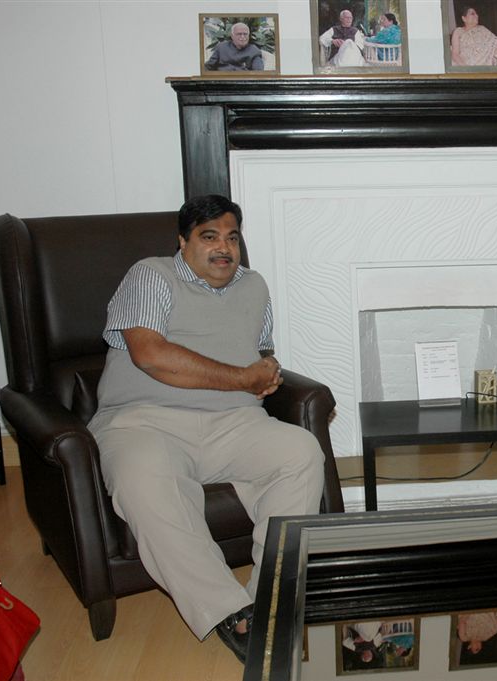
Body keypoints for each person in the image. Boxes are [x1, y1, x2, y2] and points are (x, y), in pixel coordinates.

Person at [87, 194, 325, 662]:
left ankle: (269, 602)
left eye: (232, 237)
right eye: (209, 236)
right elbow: (149, 354)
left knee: (300, 452)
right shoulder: (151, 275)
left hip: (234, 422)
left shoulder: (254, 286)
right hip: (144, 421)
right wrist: (243, 377)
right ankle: (229, 612)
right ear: (183, 242)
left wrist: (267, 369)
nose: (224, 248)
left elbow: (259, 354)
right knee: (144, 480)